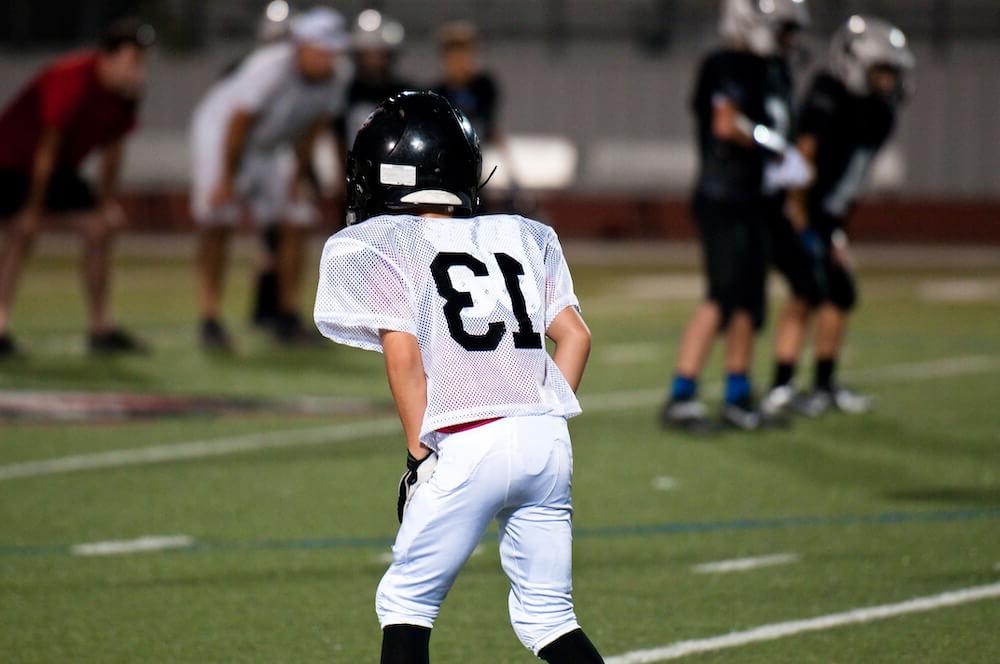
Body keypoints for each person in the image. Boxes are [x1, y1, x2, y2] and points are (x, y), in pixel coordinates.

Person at [313, 92, 602, 664]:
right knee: (549, 617)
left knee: (406, 604)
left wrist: (420, 454)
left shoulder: (390, 244)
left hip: (468, 440)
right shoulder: (522, 234)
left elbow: (405, 359)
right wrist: (545, 409)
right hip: (547, 440)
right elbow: (576, 336)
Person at [660, 0, 811, 432]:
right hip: (723, 196)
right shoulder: (726, 63)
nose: (789, 39)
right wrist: (776, 149)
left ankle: (738, 395)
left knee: (750, 301)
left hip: (755, 199)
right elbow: (726, 124)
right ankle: (681, 394)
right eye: (782, 28)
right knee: (722, 297)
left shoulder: (774, 71)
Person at [763, 16, 915, 417]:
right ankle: (781, 386)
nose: (888, 80)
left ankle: (822, 385)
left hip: (827, 217)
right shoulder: (829, 94)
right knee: (807, 290)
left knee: (838, 292)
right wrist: (797, 213)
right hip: (795, 210)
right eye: (882, 70)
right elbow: (805, 154)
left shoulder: (880, 112)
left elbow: (851, 176)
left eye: (892, 72)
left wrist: (835, 230)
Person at [189, 7, 351, 350]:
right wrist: (225, 180)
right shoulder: (269, 67)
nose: (329, 58)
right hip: (222, 136)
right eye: (322, 49)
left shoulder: (337, 76)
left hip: (269, 146)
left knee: (298, 217)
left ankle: (288, 314)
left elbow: (313, 129)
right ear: (302, 46)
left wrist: (296, 175)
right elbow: (237, 124)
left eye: (333, 50)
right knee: (218, 220)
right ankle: (210, 317)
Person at [0, 18, 155, 357]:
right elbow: (46, 150)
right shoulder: (71, 78)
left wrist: (104, 203)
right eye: (133, 59)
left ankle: (101, 327)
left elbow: (113, 153)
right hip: (10, 164)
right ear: (108, 57)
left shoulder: (125, 93)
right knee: (21, 232)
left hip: (58, 171)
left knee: (104, 226)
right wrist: (32, 210)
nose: (139, 68)